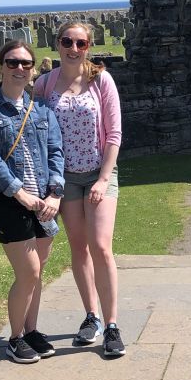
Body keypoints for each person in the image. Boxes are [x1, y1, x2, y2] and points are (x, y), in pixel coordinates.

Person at [0, 40, 65, 364]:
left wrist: (55, 192)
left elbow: (55, 151)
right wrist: (17, 191)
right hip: (8, 200)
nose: (19, 68)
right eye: (12, 62)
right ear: (1, 66)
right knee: (29, 271)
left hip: (44, 201)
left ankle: (31, 330)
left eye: (26, 63)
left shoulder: (41, 109)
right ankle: (15, 338)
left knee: (38, 271)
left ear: (33, 69)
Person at [34, 21, 125, 357]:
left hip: (99, 172)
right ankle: (91, 316)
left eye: (81, 43)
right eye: (67, 42)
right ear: (57, 44)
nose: (73, 49)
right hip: (65, 179)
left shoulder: (101, 80)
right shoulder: (44, 84)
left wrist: (103, 178)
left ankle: (112, 325)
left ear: (89, 46)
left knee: (100, 246)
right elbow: (37, 129)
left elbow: (114, 133)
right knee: (78, 247)